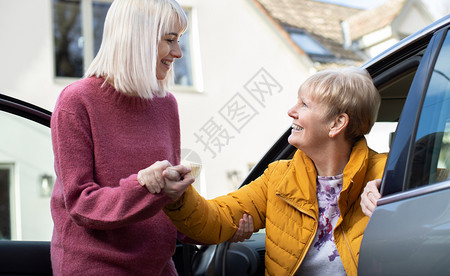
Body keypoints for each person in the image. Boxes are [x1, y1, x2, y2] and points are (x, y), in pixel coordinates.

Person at [50, 0, 250, 275]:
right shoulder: (77, 101)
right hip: (96, 267)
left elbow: (169, 204)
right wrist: (147, 188)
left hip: (160, 267)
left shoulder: (166, 105)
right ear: (137, 38)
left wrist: (221, 229)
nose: (178, 53)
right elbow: (81, 204)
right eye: (170, 40)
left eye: (179, 41)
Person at [140, 67, 388, 276]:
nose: (291, 111)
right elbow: (215, 219)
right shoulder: (279, 177)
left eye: (304, 104)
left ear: (336, 124)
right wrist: (178, 196)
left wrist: (388, 201)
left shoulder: (388, 172)